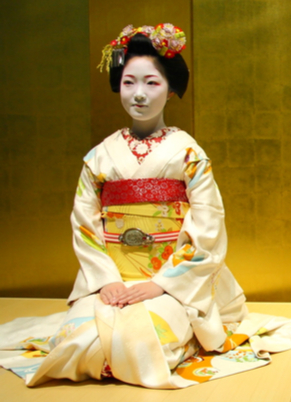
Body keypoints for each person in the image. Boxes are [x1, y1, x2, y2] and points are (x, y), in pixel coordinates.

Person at [3, 23, 249, 388]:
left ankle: (181, 323)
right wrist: (106, 281)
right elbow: (85, 225)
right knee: (78, 342)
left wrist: (162, 284)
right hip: (112, 279)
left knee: (143, 343)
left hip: (172, 281)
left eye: (152, 82)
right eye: (129, 82)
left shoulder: (188, 153)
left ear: (170, 89)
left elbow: (208, 224)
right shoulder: (100, 156)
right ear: (118, 85)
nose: (139, 94)